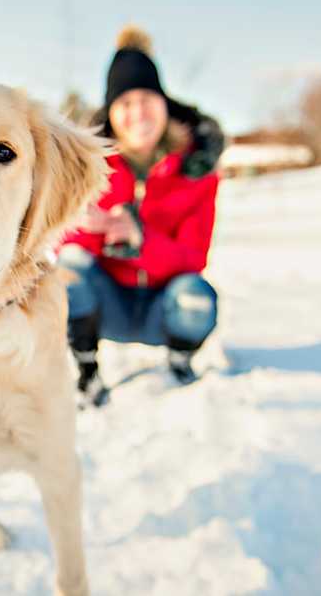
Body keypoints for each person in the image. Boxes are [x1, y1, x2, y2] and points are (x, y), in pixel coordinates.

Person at [59, 25, 225, 408]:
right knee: (65, 270)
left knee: (197, 296)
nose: (137, 113)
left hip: (162, 309)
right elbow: (65, 246)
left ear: (165, 103)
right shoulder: (90, 167)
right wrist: (92, 229)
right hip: (107, 306)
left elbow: (194, 257)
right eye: (125, 103)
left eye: (147, 98)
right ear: (111, 113)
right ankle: (87, 373)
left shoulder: (197, 169)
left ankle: (180, 359)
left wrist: (141, 238)